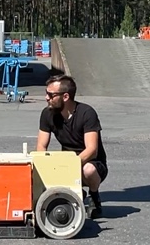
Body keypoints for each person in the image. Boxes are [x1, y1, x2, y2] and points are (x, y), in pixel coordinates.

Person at [35, 74, 107, 218]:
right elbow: (41, 147)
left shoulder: (87, 113)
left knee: (88, 170)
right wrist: (44, 168)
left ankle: (94, 197)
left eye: (51, 95)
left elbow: (92, 150)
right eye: (46, 93)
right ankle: (75, 192)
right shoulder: (47, 113)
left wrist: (68, 167)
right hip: (67, 161)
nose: (46, 98)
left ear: (66, 97)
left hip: (91, 163)